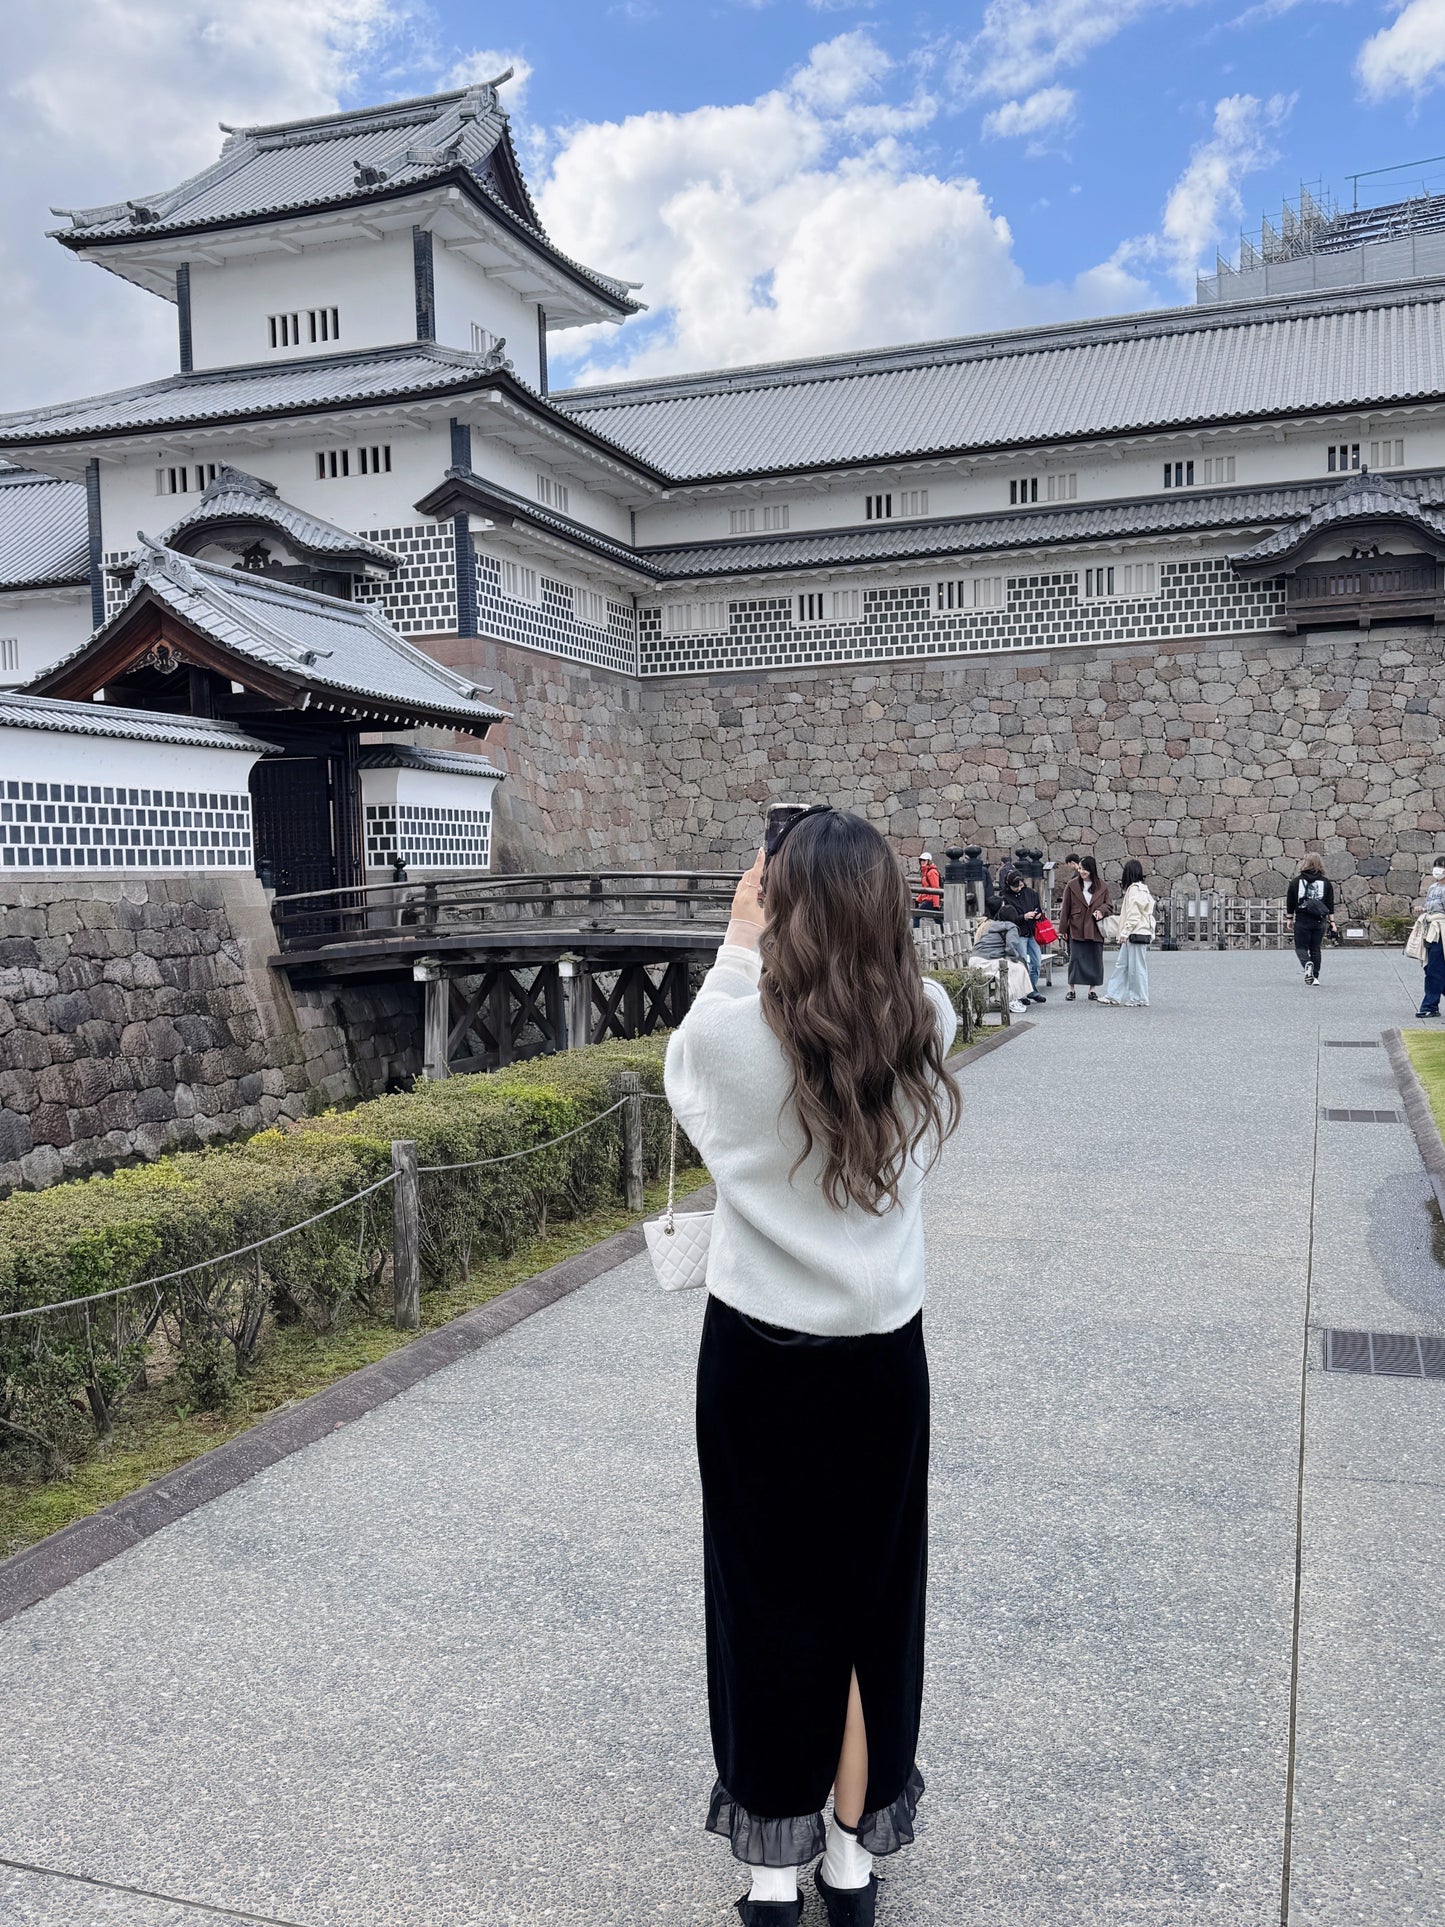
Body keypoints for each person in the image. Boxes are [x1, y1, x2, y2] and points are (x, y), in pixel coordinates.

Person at [664, 809, 962, 1927]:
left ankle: (771, 1877)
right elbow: (896, 995)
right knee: (869, 1603)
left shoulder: (737, 1034)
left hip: (758, 1359)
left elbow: (689, 1070)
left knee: (762, 1601)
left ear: (776, 902)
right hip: (883, 1358)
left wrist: (739, 940)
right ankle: (848, 1863)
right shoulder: (921, 1020)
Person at [1098, 860, 1155, 1006]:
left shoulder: (1134, 890)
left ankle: (1138, 998)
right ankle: (1114, 995)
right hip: (1137, 932)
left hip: (1134, 933)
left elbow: (1134, 914)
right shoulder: (1143, 888)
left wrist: (1124, 932)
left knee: (1134, 967)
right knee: (1123, 965)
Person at [1058, 853, 1112, 1001]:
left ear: (1092, 870)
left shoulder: (1102, 886)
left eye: (1085, 870)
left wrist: (1101, 911)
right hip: (1076, 926)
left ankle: (1092, 989)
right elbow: (1065, 908)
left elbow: (1109, 905)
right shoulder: (1072, 885)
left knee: (1095, 959)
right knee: (1075, 959)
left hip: (1095, 928)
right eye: (1080, 868)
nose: (1082, 872)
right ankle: (1071, 989)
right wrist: (1062, 929)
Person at [970, 901, 1036, 1013]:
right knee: (1018, 968)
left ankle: (1006, 998)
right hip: (988, 960)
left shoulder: (991, 925)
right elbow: (1010, 948)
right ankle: (1011, 999)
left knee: (1012, 967)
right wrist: (1018, 959)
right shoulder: (1011, 927)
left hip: (975, 960)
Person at [994, 869, 1046, 1003]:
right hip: (1018, 933)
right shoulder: (1005, 898)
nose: (1018, 888)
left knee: (1036, 962)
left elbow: (1038, 907)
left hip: (1032, 931)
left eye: (1020, 885)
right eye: (1015, 886)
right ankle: (1023, 992)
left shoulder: (1031, 893)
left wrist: (1037, 914)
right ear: (1008, 884)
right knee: (1022, 963)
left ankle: (1031, 988)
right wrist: (1024, 917)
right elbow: (1007, 918)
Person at [1285, 855, 1336, 987]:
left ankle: (1307, 964)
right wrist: (1332, 923)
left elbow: (1290, 902)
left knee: (1301, 947)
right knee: (1315, 949)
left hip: (1302, 919)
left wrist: (1289, 918)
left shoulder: (1296, 882)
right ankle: (1315, 977)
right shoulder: (1326, 883)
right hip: (1319, 920)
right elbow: (1330, 904)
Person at [1415, 857, 1445, 1018]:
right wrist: (1423, 909)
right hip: (1430, 931)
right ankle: (1431, 1004)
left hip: (1441, 931)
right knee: (1430, 967)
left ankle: (1429, 1005)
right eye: (1436, 866)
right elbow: (1430, 906)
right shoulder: (1433, 887)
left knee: (1435, 968)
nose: (1437, 870)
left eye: (1441, 867)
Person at [913, 850, 942, 918]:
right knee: (936, 918)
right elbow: (925, 888)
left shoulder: (931, 872)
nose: (922, 862)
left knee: (916, 916)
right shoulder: (925, 872)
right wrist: (918, 899)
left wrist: (936, 904)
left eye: (924, 860)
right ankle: (944, 928)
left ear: (928, 861)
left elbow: (936, 888)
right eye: (921, 860)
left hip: (930, 900)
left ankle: (916, 929)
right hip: (928, 899)